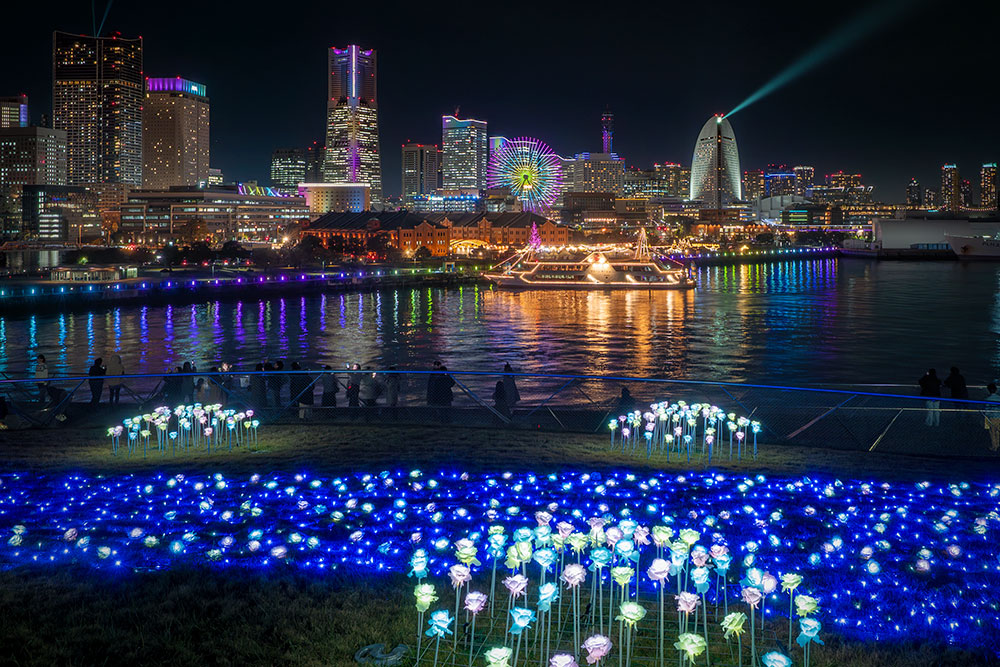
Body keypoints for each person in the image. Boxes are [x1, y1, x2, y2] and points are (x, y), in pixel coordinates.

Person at [984, 383, 1000, 451]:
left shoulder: (988, 399)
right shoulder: (999, 398)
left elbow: (987, 410)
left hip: (992, 418)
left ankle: (994, 446)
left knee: (992, 432)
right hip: (999, 417)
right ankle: (998, 444)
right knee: (998, 432)